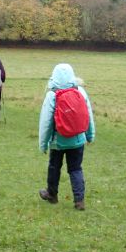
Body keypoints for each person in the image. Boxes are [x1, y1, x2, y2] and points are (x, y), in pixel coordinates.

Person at [38, 63, 95, 211]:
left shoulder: (52, 95)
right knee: (76, 169)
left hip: (58, 141)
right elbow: (88, 115)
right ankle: (79, 200)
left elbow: (45, 122)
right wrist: (90, 135)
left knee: (54, 167)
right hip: (78, 140)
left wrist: (43, 144)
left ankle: (52, 194)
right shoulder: (80, 92)